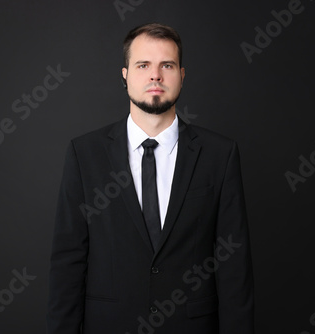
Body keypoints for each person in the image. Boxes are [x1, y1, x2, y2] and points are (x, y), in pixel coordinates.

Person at [47, 23, 254, 334]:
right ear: (125, 74)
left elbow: (234, 265)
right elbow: (68, 263)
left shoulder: (219, 155)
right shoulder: (84, 154)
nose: (155, 75)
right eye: (143, 65)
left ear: (182, 75)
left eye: (166, 65)